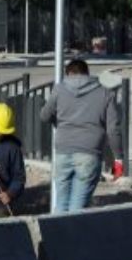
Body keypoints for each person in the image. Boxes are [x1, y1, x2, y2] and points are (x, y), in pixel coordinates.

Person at [40, 59, 124, 212]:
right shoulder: (105, 94)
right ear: (87, 74)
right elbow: (113, 130)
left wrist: (60, 123)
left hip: (63, 151)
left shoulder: (59, 90)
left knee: (61, 204)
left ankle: (58, 228)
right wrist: (118, 159)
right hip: (89, 153)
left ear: (68, 74)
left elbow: (44, 116)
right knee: (77, 208)